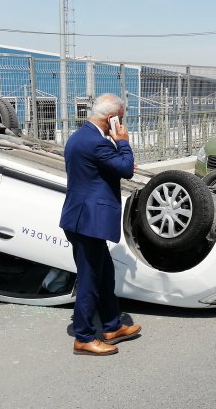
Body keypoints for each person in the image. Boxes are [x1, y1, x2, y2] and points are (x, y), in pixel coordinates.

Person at [59, 93, 141, 356]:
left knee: (104, 274)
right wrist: (123, 143)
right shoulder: (97, 142)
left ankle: (111, 326)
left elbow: (99, 171)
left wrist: (117, 156)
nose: (122, 124)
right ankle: (83, 337)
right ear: (112, 118)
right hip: (88, 222)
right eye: (121, 119)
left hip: (82, 218)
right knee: (89, 279)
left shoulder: (81, 137)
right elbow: (126, 169)